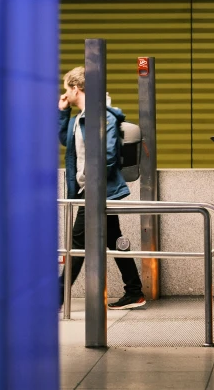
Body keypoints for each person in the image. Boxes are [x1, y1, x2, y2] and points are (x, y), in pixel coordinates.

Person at [58, 67, 146, 310]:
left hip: (98, 192)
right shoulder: (81, 118)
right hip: (93, 190)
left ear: (77, 88)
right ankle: (135, 291)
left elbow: (107, 155)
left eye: (67, 88)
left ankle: (56, 297)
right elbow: (66, 140)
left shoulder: (103, 116)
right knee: (113, 238)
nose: (65, 93)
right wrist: (62, 112)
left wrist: (92, 186)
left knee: (77, 244)